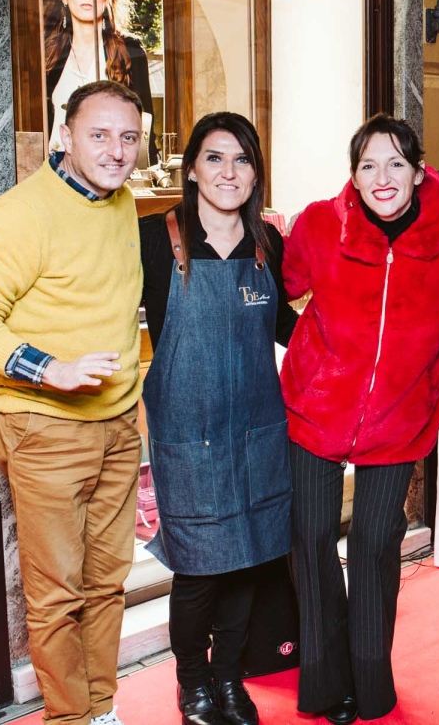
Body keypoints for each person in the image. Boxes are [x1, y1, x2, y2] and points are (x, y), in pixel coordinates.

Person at [0, 80, 147, 725]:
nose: (116, 151)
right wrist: (49, 369)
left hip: (118, 423)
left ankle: (101, 709)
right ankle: (69, 718)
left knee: (107, 584)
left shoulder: (120, 203)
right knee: (58, 594)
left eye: (129, 137)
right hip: (44, 427)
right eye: (99, 135)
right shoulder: (23, 214)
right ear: (64, 135)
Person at [280, 114, 439, 723]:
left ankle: (369, 682)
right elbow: (285, 284)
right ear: (354, 174)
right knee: (310, 539)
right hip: (316, 409)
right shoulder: (321, 223)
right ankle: (325, 680)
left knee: (374, 544)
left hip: (402, 418)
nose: (382, 177)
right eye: (368, 165)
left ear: (420, 172)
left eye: (396, 163)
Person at [138, 113, 298, 725]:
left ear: (256, 173)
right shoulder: (157, 238)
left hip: (258, 430)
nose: (229, 172)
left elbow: (283, 326)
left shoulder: (268, 245)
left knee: (248, 561)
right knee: (199, 570)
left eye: (242, 159)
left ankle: (230, 679)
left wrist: (347, 347)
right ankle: (194, 685)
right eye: (214, 157)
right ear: (192, 170)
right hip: (190, 437)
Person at [41, 0, 157, 162]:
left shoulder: (129, 50)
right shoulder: (47, 54)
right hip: (57, 171)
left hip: (114, 168)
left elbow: (145, 127)